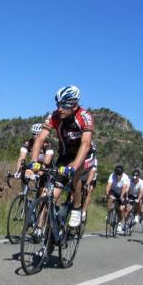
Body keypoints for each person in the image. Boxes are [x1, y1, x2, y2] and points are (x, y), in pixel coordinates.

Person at [29, 85, 96, 228]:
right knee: (51, 194)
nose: (60, 108)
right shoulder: (54, 116)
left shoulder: (85, 117)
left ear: (74, 105)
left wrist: (74, 166)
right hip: (65, 155)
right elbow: (40, 139)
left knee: (75, 175)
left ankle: (77, 207)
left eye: (64, 105)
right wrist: (33, 161)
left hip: (83, 155)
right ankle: (40, 228)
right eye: (58, 104)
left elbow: (85, 144)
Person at [105, 165, 130, 233]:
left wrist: (121, 197)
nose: (118, 175)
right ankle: (109, 214)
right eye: (117, 174)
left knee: (120, 209)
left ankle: (119, 223)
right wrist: (106, 193)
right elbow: (109, 185)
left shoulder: (125, 177)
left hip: (123, 193)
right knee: (110, 199)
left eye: (119, 174)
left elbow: (124, 188)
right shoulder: (112, 175)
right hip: (114, 191)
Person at [81, 158, 98, 222]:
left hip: (91, 178)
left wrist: (87, 183)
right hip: (81, 176)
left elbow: (93, 172)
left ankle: (84, 211)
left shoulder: (93, 159)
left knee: (88, 191)